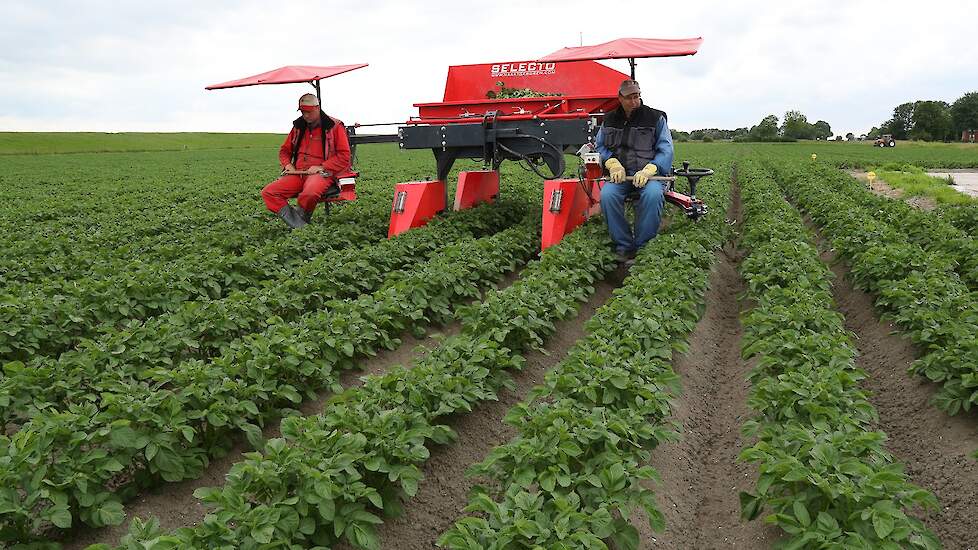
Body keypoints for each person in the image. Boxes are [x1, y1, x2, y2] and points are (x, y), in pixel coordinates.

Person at [595, 79, 674, 262]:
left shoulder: (656, 118)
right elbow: (599, 147)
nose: (634, 101)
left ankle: (643, 246)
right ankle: (623, 245)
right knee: (608, 195)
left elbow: (666, 149)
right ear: (620, 98)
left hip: (650, 176)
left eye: (637, 96)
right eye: (630, 98)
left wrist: (650, 169)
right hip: (621, 175)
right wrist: (612, 163)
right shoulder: (609, 120)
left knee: (653, 195)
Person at [261, 93, 352, 229]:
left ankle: (301, 225)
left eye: (308, 112)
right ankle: (301, 226)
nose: (306, 115)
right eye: (303, 112)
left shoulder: (334, 126)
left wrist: (322, 166)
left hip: (321, 174)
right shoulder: (298, 127)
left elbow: (344, 156)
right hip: (298, 173)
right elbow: (284, 151)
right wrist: (288, 165)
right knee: (269, 192)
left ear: (317, 108)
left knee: (310, 193)